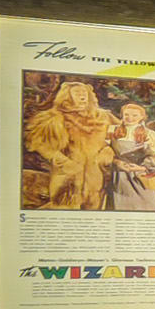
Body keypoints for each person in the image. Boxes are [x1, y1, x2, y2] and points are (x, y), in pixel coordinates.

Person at [23, 78, 114, 210]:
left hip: (95, 179)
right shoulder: (54, 117)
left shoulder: (103, 117)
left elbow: (122, 136)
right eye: (77, 93)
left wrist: (109, 151)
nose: (82, 95)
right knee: (64, 213)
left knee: (94, 216)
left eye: (84, 92)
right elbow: (40, 144)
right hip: (67, 179)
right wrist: (63, 161)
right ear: (67, 96)